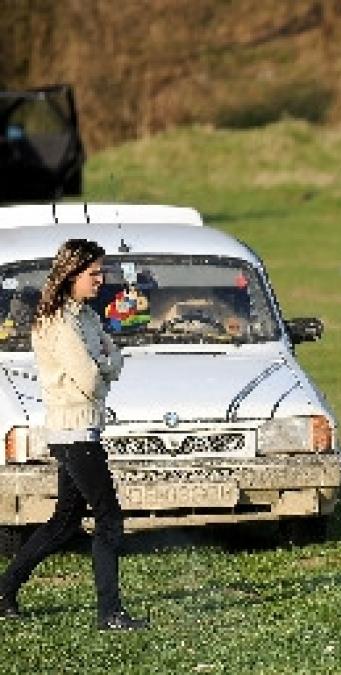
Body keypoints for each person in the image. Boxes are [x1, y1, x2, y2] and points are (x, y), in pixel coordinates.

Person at [0, 239, 147, 630]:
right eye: (94, 273)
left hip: (82, 429)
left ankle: (5, 589)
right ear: (70, 275)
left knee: (64, 522)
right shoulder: (60, 322)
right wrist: (102, 366)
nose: (102, 280)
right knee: (109, 519)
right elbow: (90, 380)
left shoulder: (85, 315)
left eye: (102, 272)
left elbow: (113, 359)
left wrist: (102, 365)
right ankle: (110, 613)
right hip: (73, 433)